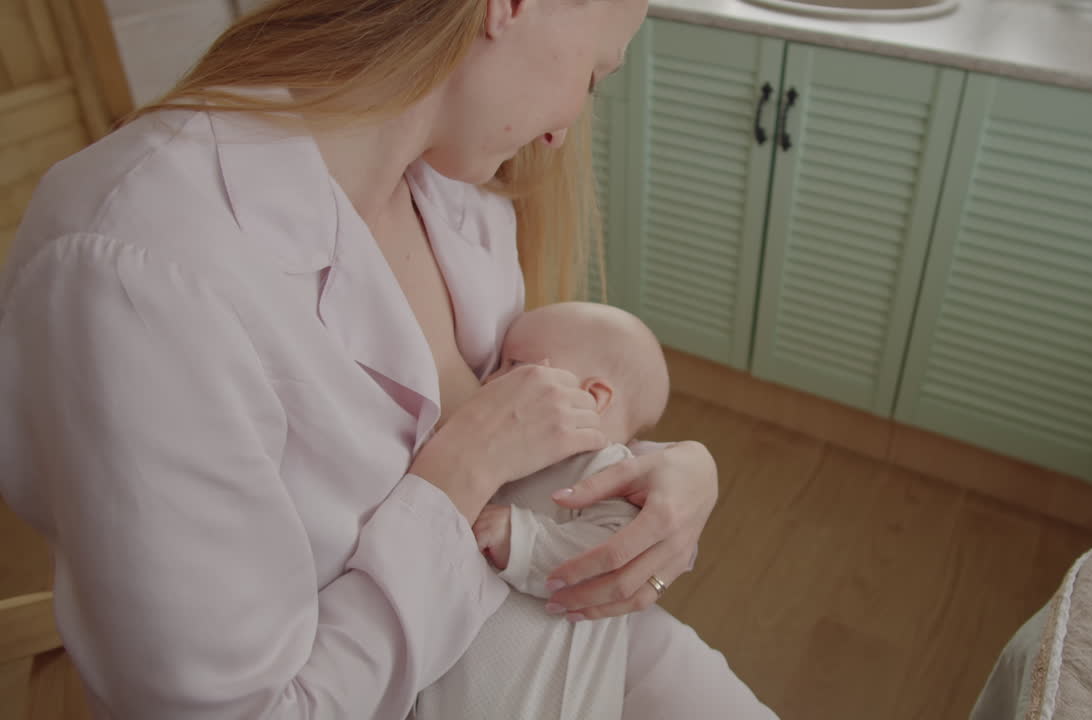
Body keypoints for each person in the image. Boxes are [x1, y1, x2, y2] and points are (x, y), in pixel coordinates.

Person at [0, 0, 774, 717]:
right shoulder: (136, 272)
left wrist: (658, 474)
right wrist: (457, 476)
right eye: (594, 77)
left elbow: (522, 438)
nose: (564, 132)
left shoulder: (459, 191)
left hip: (551, 634)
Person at [419, 302, 773, 719]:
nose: (488, 382)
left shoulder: (602, 469)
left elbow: (615, 552)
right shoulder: (521, 452)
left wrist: (522, 537)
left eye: (513, 365)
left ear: (591, 397)